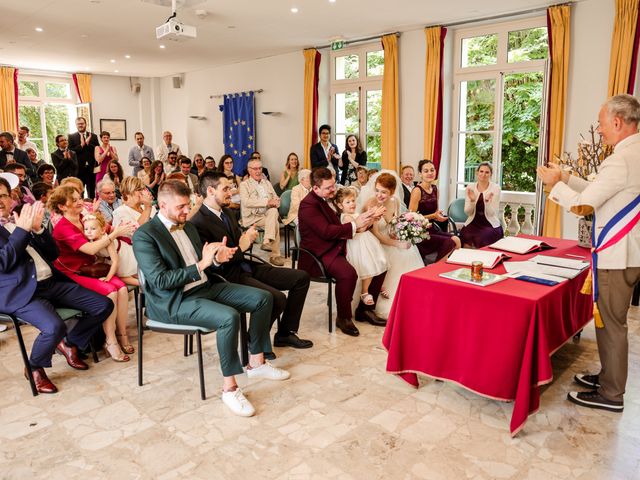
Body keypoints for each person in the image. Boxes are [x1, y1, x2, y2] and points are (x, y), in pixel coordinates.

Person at [133, 180, 290, 417]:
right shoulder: (145, 235)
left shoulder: (187, 226)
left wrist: (218, 258)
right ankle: (230, 389)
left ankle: (256, 363)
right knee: (228, 317)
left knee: (263, 298)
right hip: (174, 300)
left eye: (188, 205)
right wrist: (203, 264)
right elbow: (160, 281)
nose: (187, 211)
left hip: (204, 286)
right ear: (162, 205)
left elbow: (204, 260)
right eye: (182, 207)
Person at [538, 94, 640, 413]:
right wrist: (566, 177)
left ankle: (611, 393)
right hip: (627, 252)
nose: (599, 129)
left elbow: (585, 205)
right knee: (611, 322)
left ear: (617, 122)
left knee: (611, 324)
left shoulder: (620, 159)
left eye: (600, 122)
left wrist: (554, 186)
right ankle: (608, 377)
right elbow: (600, 191)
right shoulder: (632, 154)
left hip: (616, 254)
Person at [0, 180, 113, 394]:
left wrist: (39, 230)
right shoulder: (18, 225)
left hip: (51, 282)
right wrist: (22, 231)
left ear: (10, 197)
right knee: (54, 327)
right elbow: (3, 263)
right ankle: (34, 366)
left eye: (4, 195)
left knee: (103, 305)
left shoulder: (19, 220)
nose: (1, 200)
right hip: (21, 292)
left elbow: (53, 254)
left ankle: (70, 343)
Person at [191, 171, 313, 350]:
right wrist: (243, 244)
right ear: (210, 191)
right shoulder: (198, 222)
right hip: (228, 276)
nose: (231, 192)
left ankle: (285, 333)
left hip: (246, 265)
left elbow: (240, 244)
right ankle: (254, 341)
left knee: (301, 278)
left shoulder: (227, 212)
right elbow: (217, 262)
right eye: (226, 188)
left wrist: (246, 239)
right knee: (276, 298)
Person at [49, 186, 135, 362]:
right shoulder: (63, 228)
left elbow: (104, 228)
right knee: (110, 291)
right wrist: (114, 235)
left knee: (122, 288)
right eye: (74, 200)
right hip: (73, 273)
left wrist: (115, 230)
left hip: (91, 268)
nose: (80, 201)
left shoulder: (82, 218)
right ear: (62, 207)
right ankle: (110, 341)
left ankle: (122, 333)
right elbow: (90, 249)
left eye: (79, 197)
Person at [297, 167, 387, 336]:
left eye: (333, 185)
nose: (333, 189)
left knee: (380, 264)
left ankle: (365, 310)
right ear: (315, 188)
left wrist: (367, 219)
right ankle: (343, 318)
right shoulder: (308, 205)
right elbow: (326, 231)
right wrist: (356, 224)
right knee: (348, 274)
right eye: (329, 187)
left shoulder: (326, 199)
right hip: (321, 252)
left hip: (340, 243)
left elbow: (340, 224)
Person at [363, 172, 424, 318]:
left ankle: (414, 301)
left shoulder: (395, 201)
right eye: (377, 190)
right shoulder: (371, 204)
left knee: (408, 258)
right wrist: (396, 243)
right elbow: (376, 234)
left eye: (384, 192)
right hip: (376, 245)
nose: (379, 195)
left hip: (391, 240)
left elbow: (395, 222)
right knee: (395, 260)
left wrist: (399, 232)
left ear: (392, 191)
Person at [334, 187, 387, 306]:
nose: (352, 204)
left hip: (366, 242)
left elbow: (366, 226)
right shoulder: (346, 217)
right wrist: (372, 217)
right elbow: (359, 229)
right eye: (348, 202)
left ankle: (378, 286)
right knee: (367, 266)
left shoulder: (356, 213)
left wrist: (374, 219)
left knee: (379, 261)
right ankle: (364, 292)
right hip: (357, 245)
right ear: (340, 205)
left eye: (353, 200)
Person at [409, 160, 460, 263]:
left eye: (432, 170)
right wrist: (433, 216)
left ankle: (449, 267)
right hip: (420, 232)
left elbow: (435, 212)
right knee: (450, 242)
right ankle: (435, 269)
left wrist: (438, 217)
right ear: (420, 174)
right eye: (426, 171)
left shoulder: (435, 189)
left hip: (432, 228)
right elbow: (411, 217)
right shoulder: (417, 191)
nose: (430, 173)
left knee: (457, 239)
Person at [239, 158, 285, 266]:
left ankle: (267, 240)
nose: (258, 171)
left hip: (267, 215)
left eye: (260, 168)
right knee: (275, 222)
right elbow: (246, 202)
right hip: (252, 217)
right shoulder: (244, 185)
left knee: (273, 212)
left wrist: (277, 201)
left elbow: (275, 196)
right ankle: (275, 255)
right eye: (255, 168)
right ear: (249, 170)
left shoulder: (267, 183)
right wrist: (267, 202)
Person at [84, 212, 138, 286]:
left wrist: (107, 278)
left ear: (102, 230)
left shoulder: (108, 241)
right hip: (111, 259)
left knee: (122, 277)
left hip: (123, 256)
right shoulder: (91, 242)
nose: (89, 232)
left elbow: (115, 261)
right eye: (86, 229)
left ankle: (147, 285)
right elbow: (101, 257)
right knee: (130, 274)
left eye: (93, 229)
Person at [459, 162, 503, 248]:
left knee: (483, 237)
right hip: (473, 222)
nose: (483, 174)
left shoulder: (495, 188)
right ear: (477, 172)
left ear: (491, 174)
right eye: (481, 171)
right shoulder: (470, 187)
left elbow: (492, 214)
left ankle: (482, 261)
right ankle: (465, 260)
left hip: (490, 224)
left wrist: (487, 202)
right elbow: (468, 212)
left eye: (487, 172)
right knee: (466, 234)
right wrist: (472, 200)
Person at [68, 117, 100, 199]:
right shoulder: (71, 137)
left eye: (82, 123)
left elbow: (98, 150)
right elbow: (71, 152)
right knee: (79, 192)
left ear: (85, 124)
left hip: (91, 169)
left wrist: (88, 144)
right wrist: (82, 145)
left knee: (91, 192)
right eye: (78, 124)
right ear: (76, 125)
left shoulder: (93, 136)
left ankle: (92, 209)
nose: (80, 125)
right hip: (78, 169)